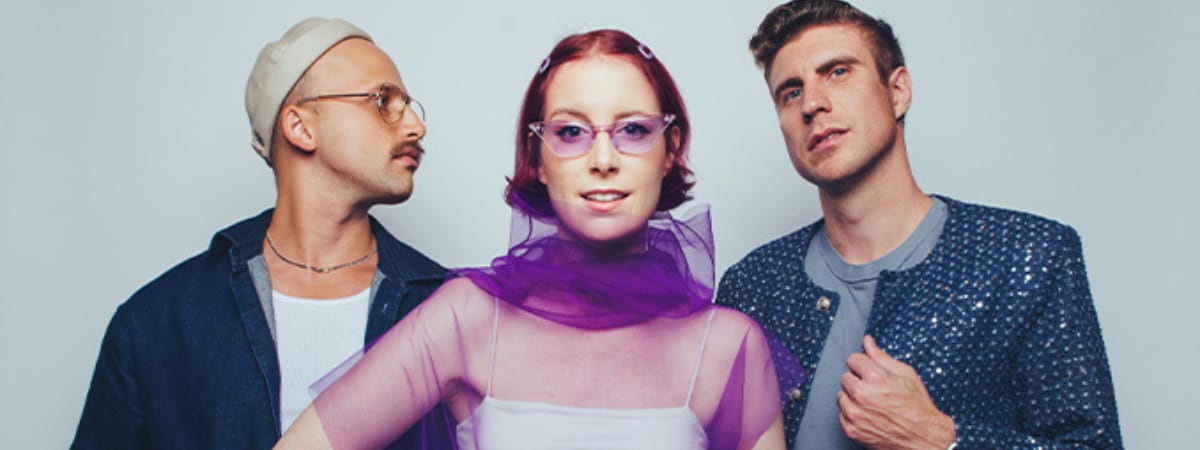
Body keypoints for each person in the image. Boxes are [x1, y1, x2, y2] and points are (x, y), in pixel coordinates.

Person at [276, 29, 787, 450]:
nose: (603, 159)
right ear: (537, 157)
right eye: (571, 132)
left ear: (670, 149)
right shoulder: (468, 317)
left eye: (633, 130)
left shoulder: (730, 346)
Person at [715, 1, 1123, 449]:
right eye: (791, 93)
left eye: (838, 72)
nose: (812, 103)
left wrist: (940, 439)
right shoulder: (752, 288)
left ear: (898, 92)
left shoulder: (1027, 258)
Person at [71, 18, 451, 449]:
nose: (415, 126)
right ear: (301, 127)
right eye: (383, 100)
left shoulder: (449, 308)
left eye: (408, 105)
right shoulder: (156, 322)